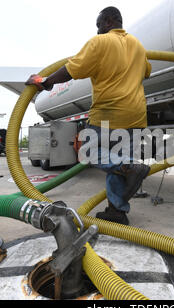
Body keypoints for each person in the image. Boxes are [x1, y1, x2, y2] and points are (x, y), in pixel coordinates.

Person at [26, 7, 152, 225]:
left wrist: (45, 81)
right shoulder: (138, 46)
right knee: (119, 162)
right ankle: (117, 211)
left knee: (86, 150)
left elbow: (72, 69)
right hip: (137, 116)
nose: (97, 30)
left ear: (109, 21)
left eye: (99, 25)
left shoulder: (100, 43)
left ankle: (128, 169)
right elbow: (147, 71)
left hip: (108, 113)